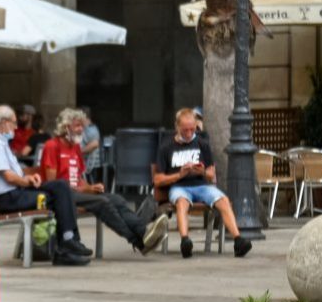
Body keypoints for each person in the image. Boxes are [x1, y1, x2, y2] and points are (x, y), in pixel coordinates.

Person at [41, 108, 168, 255]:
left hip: (78, 193)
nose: (81, 129)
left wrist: (91, 187)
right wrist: (85, 190)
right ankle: (138, 242)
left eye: (82, 125)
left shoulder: (75, 147)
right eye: (77, 126)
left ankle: (144, 232)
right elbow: (53, 184)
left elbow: (79, 179)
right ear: (66, 127)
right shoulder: (52, 146)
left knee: (116, 199)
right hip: (62, 197)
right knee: (102, 202)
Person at [0, 105, 91, 266]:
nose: (15, 126)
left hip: (18, 190)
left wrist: (29, 177)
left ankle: (69, 241)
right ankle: (66, 245)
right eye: (13, 123)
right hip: (9, 198)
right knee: (57, 198)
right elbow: (8, 176)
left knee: (61, 186)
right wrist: (26, 181)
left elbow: (15, 173)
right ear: (4, 123)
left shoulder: (0, 141)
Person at [154, 108, 252, 258]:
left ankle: (238, 240)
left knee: (223, 200)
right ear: (177, 127)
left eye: (192, 129)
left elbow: (211, 174)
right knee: (182, 202)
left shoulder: (202, 143)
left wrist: (202, 172)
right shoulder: (166, 147)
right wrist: (180, 174)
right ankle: (185, 241)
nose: (189, 133)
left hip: (201, 185)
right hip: (179, 186)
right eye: (185, 129)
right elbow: (158, 179)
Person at [80, 106, 102, 184]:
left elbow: (95, 144)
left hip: (89, 165)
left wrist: (79, 152)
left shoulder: (91, 129)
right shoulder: (86, 129)